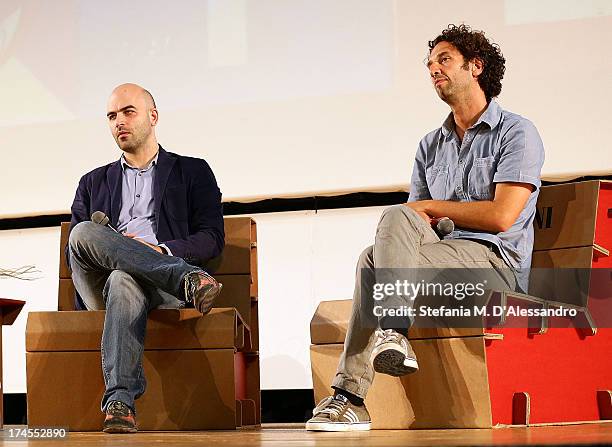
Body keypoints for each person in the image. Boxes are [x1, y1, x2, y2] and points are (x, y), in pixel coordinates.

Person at [306, 24, 545, 431]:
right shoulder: (430, 145)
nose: (434, 69)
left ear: (476, 66)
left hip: (496, 266)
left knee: (387, 235)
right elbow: (416, 224)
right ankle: (353, 396)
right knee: (372, 256)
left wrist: (435, 208)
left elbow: (503, 217)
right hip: (443, 262)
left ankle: (382, 347)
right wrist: (426, 216)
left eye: (445, 60)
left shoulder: (516, 132)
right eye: (429, 63)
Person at [67, 83, 225, 433]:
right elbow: (79, 252)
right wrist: (126, 251)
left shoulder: (193, 172)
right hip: (101, 287)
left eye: (128, 112)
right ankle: (184, 277)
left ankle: (120, 403)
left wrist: (162, 251)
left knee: (125, 279)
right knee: (82, 235)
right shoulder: (91, 182)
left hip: (156, 290)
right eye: (111, 116)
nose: (118, 122)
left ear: (153, 117)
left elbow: (212, 237)